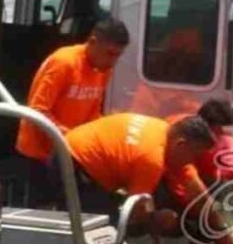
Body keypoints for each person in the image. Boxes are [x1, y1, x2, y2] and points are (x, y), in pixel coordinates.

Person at [16, 17, 130, 205]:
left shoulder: (103, 69)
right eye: (110, 54)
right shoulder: (64, 62)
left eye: (118, 56)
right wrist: (70, 137)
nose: (113, 62)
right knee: (41, 211)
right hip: (40, 152)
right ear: (93, 42)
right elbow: (38, 111)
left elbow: (94, 112)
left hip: (70, 152)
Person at [53, 113, 215, 217]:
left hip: (68, 148)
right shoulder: (152, 159)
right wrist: (157, 219)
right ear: (181, 144)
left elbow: (197, 191)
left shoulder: (163, 129)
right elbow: (136, 210)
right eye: (195, 155)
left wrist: (224, 231)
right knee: (102, 226)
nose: (192, 161)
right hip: (76, 164)